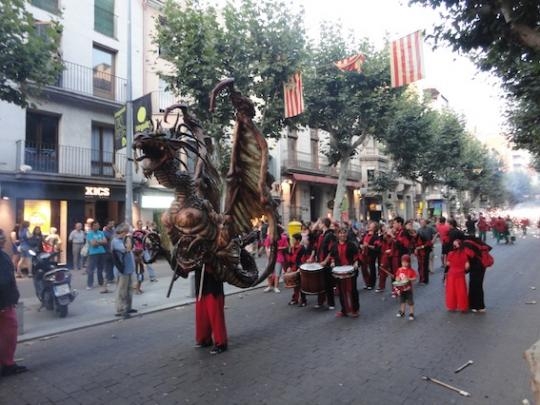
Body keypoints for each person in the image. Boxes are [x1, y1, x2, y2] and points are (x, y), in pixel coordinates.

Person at [0, 229, 28, 376]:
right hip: (3, 303)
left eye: (3, 237)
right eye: (1, 238)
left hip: (7, 303)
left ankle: (8, 363)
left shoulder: (3, 255)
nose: (3, 240)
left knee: (9, 334)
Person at [194, 264, 228, 355]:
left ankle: (221, 343)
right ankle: (204, 339)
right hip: (200, 278)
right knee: (202, 314)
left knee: (215, 314)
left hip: (213, 283)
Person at [327, 227, 360, 318]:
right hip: (339, 271)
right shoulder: (334, 245)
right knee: (342, 291)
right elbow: (332, 256)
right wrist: (332, 262)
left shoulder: (351, 245)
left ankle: (354, 309)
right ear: (337, 235)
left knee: (351, 290)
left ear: (347, 234)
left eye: (344, 233)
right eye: (340, 233)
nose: (343, 235)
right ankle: (344, 310)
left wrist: (356, 263)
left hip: (350, 270)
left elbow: (356, 255)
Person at [111, 223, 137, 319]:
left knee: (129, 289)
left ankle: (128, 307)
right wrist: (129, 240)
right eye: (125, 232)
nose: (127, 234)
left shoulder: (124, 240)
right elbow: (127, 249)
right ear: (121, 232)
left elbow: (133, 248)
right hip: (122, 270)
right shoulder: (116, 241)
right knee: (122, 290)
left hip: (129, 268)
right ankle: (120, 310)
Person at [463, 237, 490, 313]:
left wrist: (464, 271)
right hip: (482, 265)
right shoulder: (476, 241)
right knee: (478, 285)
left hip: (475, 266)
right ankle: (479, 306)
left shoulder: (466, 244)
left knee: (474, 285)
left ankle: (475, 306)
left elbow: (468, 259)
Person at [445, 239, 470, 312]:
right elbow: (467, 266)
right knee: (461, 291)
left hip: (451, 274)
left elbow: (448, 264)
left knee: (451, 291)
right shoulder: (464, 254)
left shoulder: (450, 253)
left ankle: (451, 306)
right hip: (460, 275)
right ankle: (463, 307)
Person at [286, 233, 309, 306]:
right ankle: (295, 299)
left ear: (298, 240)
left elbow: (304, 259)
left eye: (293, 239)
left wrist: (300, 268)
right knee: (295, 285)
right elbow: (289, 258)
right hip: (293, 267)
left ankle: (303, 301)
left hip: (300, 268)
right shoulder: (291, 248)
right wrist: (289, 267)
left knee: (301, 285)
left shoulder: (302, 249)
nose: (292, 241)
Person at [264, 226, 288, 293]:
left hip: (279, 257)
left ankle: (276, 287)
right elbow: (266, 246)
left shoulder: (283, 237)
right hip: (271, 257)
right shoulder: (269, 237)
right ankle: (269, 286)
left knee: (277, 273)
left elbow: (286, 246)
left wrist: (279, 248)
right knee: (268, 273)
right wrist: (268, 255)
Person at [86, 221, 109, 292]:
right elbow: (93, 244)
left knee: (100, 269)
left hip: (101, 252)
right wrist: (100, 242)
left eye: (98, 225)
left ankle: (101, 282)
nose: (97, 226)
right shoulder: (89, 234)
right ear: (92, 226)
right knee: (91, 269)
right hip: (93, 253)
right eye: (95, 225)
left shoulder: (101, 232)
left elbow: (105, 242)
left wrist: (97, 241)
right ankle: (90, 284)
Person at [394, 254, 417, 320]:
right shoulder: (399, 269)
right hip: (401, 289)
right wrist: (397, 279)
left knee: (410, 302)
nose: (404, 264)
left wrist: (409, 279)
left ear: (409, 263)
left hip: (408, 289)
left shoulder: (411, 270)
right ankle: (402, 311)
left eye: (406, 262)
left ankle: (411, 313)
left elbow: (415, 278)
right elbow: (397, 277)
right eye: (403, 262)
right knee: (402, 301)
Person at [360, 221, 380, 290]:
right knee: (364, 269)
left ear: (374, 228)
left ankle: (372, 283)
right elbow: (361, 242)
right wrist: (361, 246)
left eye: (371, 225)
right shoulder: (365, 234)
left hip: (371, 254)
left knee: (372, 269)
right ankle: (367, 282)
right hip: (363, 253)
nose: (369, 226)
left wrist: (368, 245)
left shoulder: (376, 237)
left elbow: (376, 247)